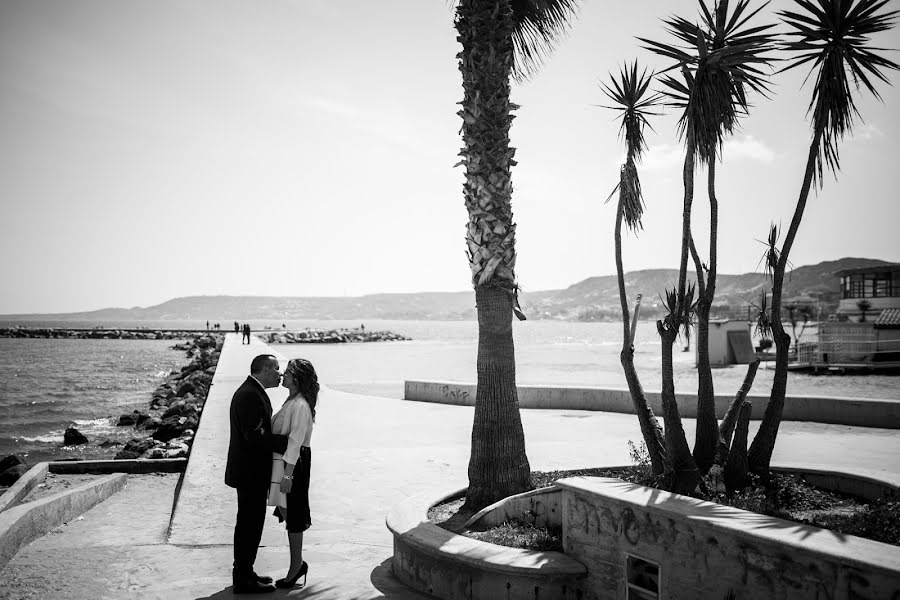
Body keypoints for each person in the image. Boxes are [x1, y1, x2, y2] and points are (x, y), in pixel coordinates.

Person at [225, 355, 290, 594]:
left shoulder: (252, 391)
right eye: (275, 369)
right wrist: (287, 442)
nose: (279, 374)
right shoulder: (250, 395)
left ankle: (245, 571)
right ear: (263, 370)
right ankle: (243, 578)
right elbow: (255, 436)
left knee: (250, 524)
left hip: (249, 471)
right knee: (249, 525)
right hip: (249, 473)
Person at [268, 358, 319, 589]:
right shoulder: (292, 400)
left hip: (293, 463)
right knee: (287, 509)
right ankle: (297, 563)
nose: (282, 375)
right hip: (288, 461)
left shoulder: (299, 405)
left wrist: (288, 475)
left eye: (287, 372)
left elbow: (296, 442)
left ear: (296, 378)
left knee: (293, 513)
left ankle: (296, 566)